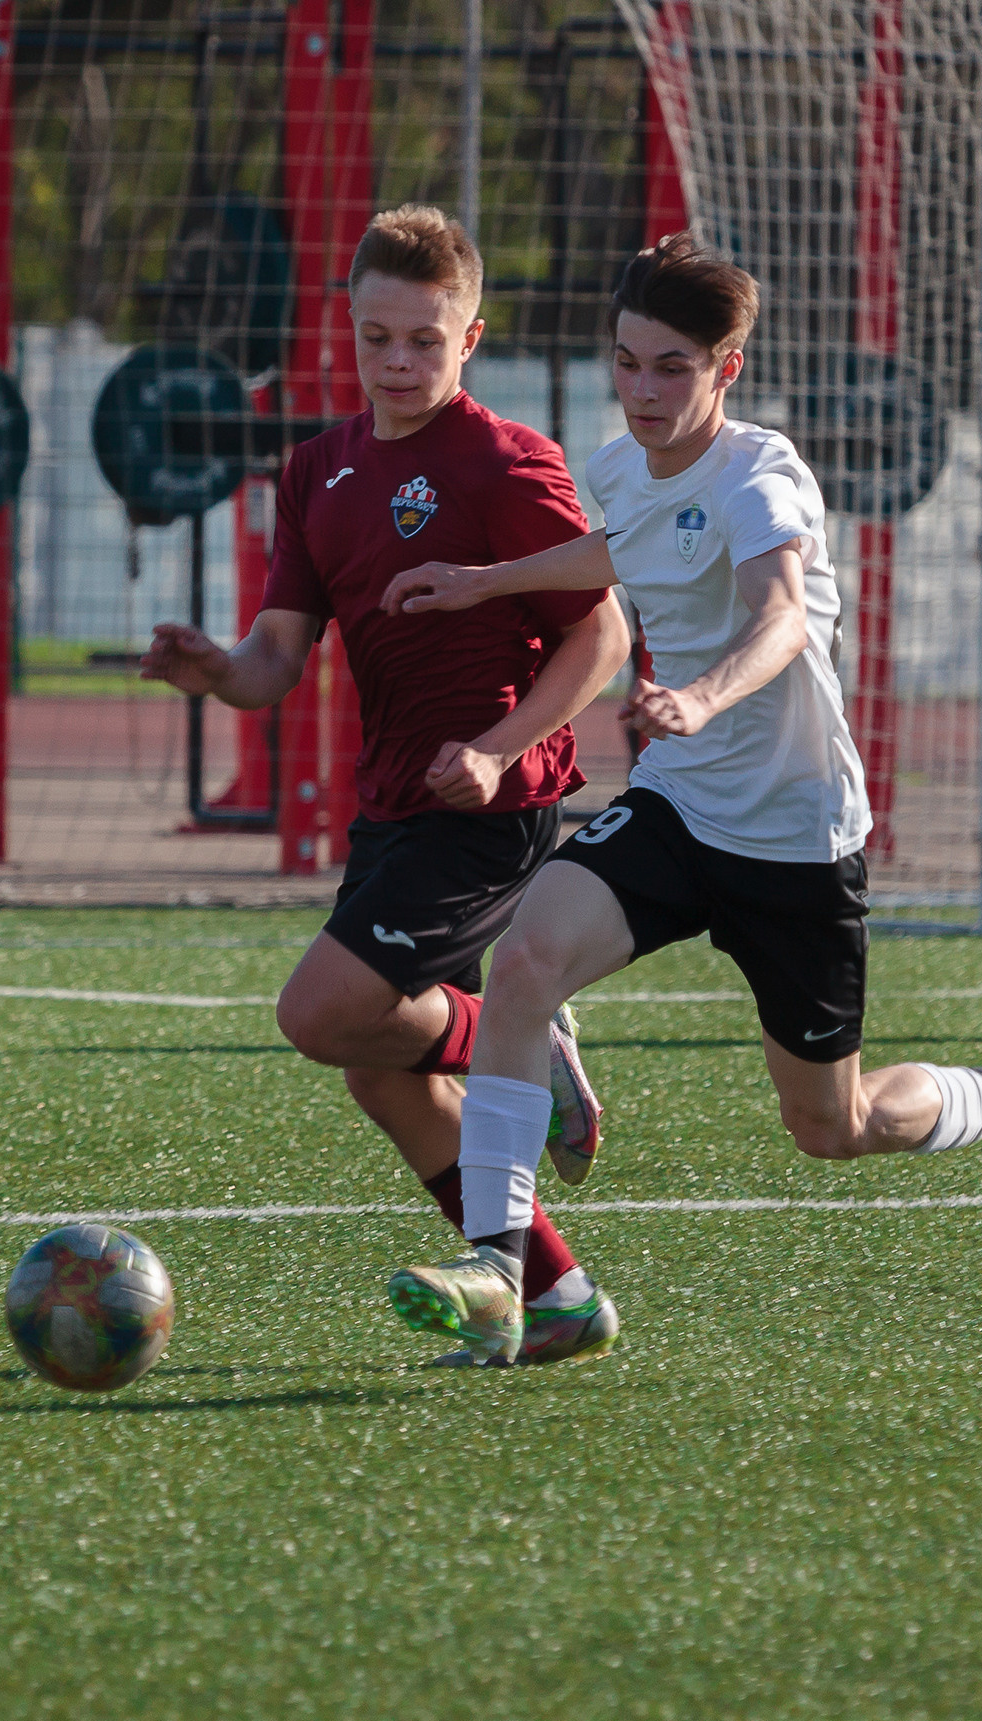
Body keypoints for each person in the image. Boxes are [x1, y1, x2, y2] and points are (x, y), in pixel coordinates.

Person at [377, 234, 982, 1363]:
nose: (644, 390)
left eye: (672, 369)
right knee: (524, 965)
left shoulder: (760, 473)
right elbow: (620, 549)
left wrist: (700, 696)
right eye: (627, 361)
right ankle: (505, 1272)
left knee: (830, 1126)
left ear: (727, 370)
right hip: (677, 808)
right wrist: (483, 584)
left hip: (794, 841)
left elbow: (782, 616)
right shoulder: (617, 464)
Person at [140, 205, 634, 1366]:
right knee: (378, 1072)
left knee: (319, 1014)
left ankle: (511, 1025)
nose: (400, 363)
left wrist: (502, 746)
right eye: (377, 339)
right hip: (394, 807)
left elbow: (601, 637)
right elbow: (273, 662)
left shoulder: (507, 463)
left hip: (490, 813)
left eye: (425, 340)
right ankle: (557, 1298)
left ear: (469, 339)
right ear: (347, 334)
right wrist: (213, 671)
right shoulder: (319, 470)